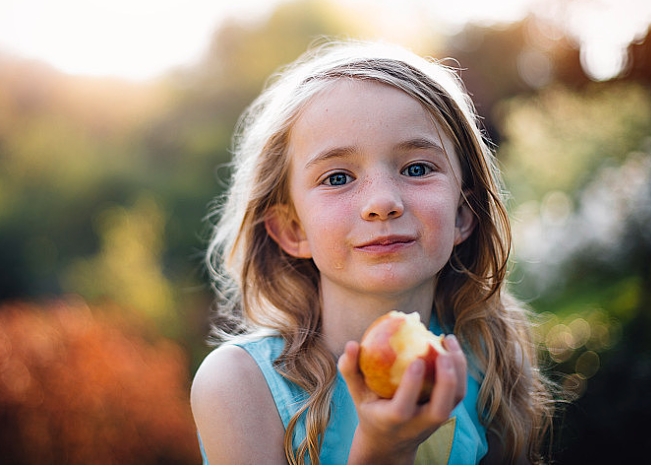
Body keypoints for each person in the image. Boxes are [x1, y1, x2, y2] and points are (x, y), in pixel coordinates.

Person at [191, 39, 556, 464]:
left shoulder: (488, 361)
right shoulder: (238, 385)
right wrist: (384, 452)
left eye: (417, 168)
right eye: (338, 177)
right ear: (293, 229)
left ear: (463, 213)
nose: (382, 201)